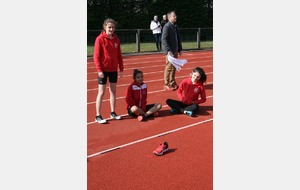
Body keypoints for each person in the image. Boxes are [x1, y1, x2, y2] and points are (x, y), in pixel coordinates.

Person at [93, 18, 124, 124]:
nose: (111, 29)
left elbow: (119, 55)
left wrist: (121, 69)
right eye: (109, 27)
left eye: (113, 27)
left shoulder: (116, 40)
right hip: (103, 70)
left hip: (113, 70)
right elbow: (96, 56)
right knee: (101, 92)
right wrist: (99, 70)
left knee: (113, 92)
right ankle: (98, 115)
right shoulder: (100, 39)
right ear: (105, 27)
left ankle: (113, 112)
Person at [161, 11, 183, 91]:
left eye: (175, 16)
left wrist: (180, 49)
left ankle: (172, 82)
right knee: (169, 68)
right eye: (174, 16)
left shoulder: (175, 26)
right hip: (170, 51)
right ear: (170, 17)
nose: (176, 17)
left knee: (174, 67)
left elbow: (178, 39)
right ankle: (166, 84)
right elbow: (164, 39)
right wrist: (168, 50)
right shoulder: (167, 26)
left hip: (175, 50)